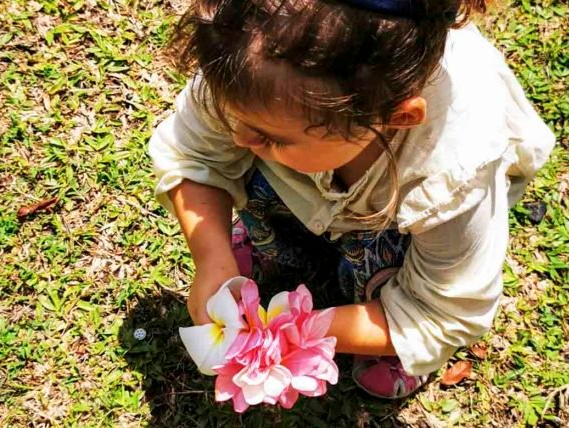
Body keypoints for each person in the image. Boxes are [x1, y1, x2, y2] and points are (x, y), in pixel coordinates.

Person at [148, 0, 555, 399]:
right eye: (233, 115)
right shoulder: (250, 60)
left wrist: (298, 333)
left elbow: (442, 311)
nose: (239, 138)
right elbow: (195, 155)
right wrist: (212, 258)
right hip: (315, 175)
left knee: (394, 274)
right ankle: (281, 243)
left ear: (398, 118)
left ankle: (391, 338)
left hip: (402, 219)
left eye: (272, 137)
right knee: (250, 162)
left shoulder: (453, 175)